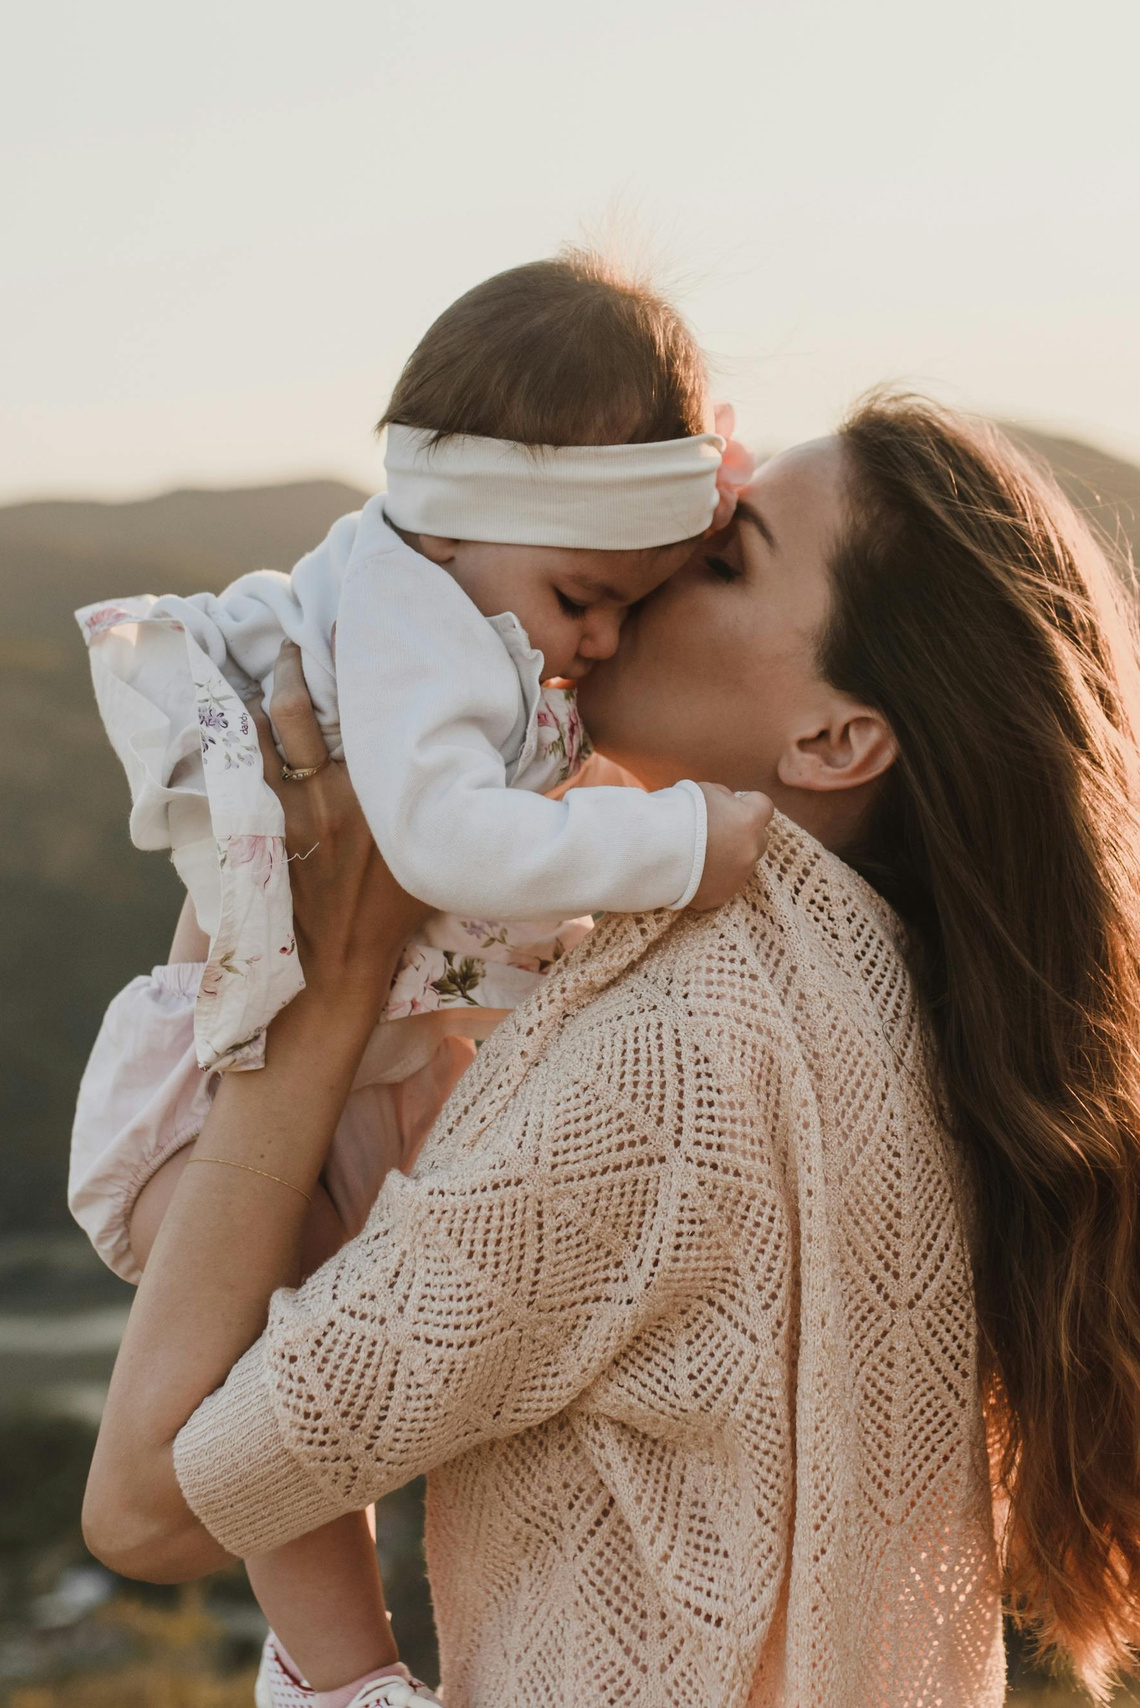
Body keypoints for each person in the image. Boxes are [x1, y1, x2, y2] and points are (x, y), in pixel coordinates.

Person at [80, 392, 1140, 1706]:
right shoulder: (892, 1014)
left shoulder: (676, 1054)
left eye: (716, 556)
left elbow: (156, 1504)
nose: (641, 565)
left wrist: (323, 993)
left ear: (834, 738)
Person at [71, 249, 770, 1708]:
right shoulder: (406, 616)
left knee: (337, 1381)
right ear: (477, 518)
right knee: (275, 1403)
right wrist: (681, 840)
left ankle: (358, 1672)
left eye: (625, 614)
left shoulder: (459, 596)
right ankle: (341, 1680)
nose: (592, 643)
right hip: (256, 1091)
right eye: (586, 596)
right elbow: (448, 837)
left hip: (361, 1069)